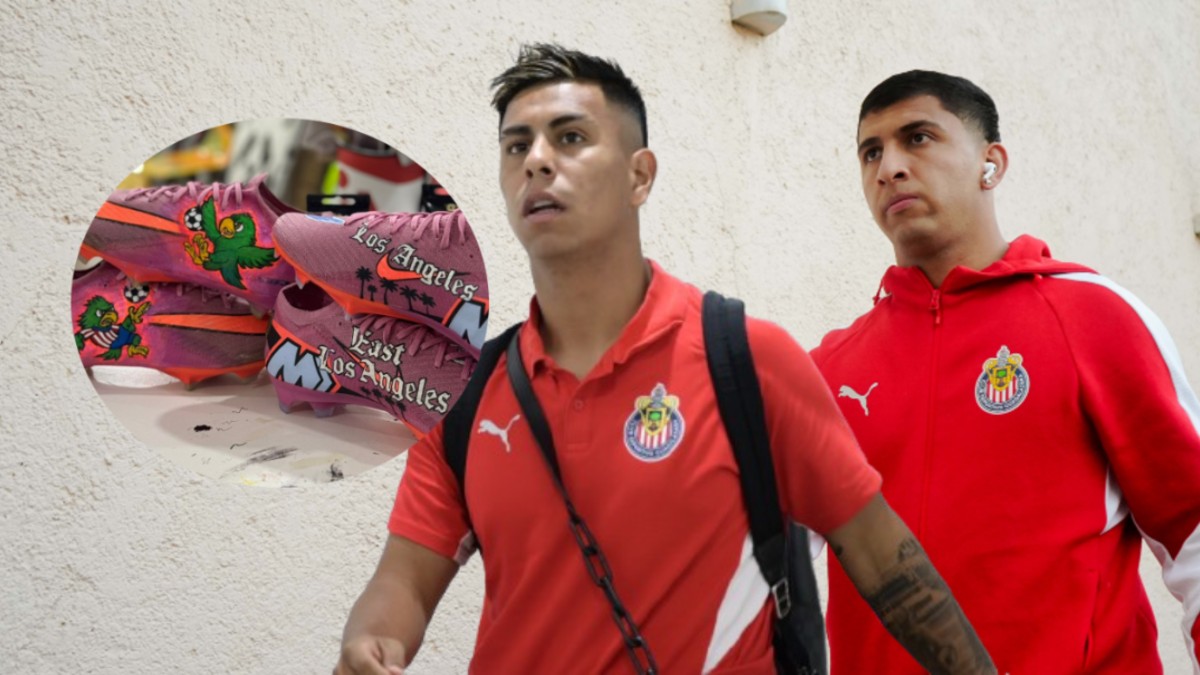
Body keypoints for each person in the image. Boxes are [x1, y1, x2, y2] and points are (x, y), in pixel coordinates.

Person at [334, 46, 994, 675]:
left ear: (639, 174)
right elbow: (404, 583)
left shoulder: (745, 361)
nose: (537, 161)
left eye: (569, 138)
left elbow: (891, 567)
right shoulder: (467, 393)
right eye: (517, 145)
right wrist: (372, 639)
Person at [813, 69, 1200, 674]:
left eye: (917, 138)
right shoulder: (830, 368)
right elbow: (752, 566)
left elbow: (1191, 528)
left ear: (990, 163)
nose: (888, 167)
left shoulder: (1092, 317)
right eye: (871, 151)